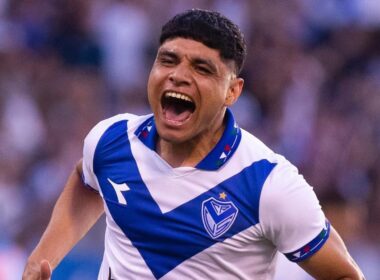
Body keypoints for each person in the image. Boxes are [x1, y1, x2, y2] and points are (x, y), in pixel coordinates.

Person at [23, 9, 364, 280]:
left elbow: (344, 275)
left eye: (201, 68)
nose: (179, 75)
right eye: (168, 60)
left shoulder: (268, 184)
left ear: (233, 91)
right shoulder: (111, 141)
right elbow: (86, 181)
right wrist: (43, 257)